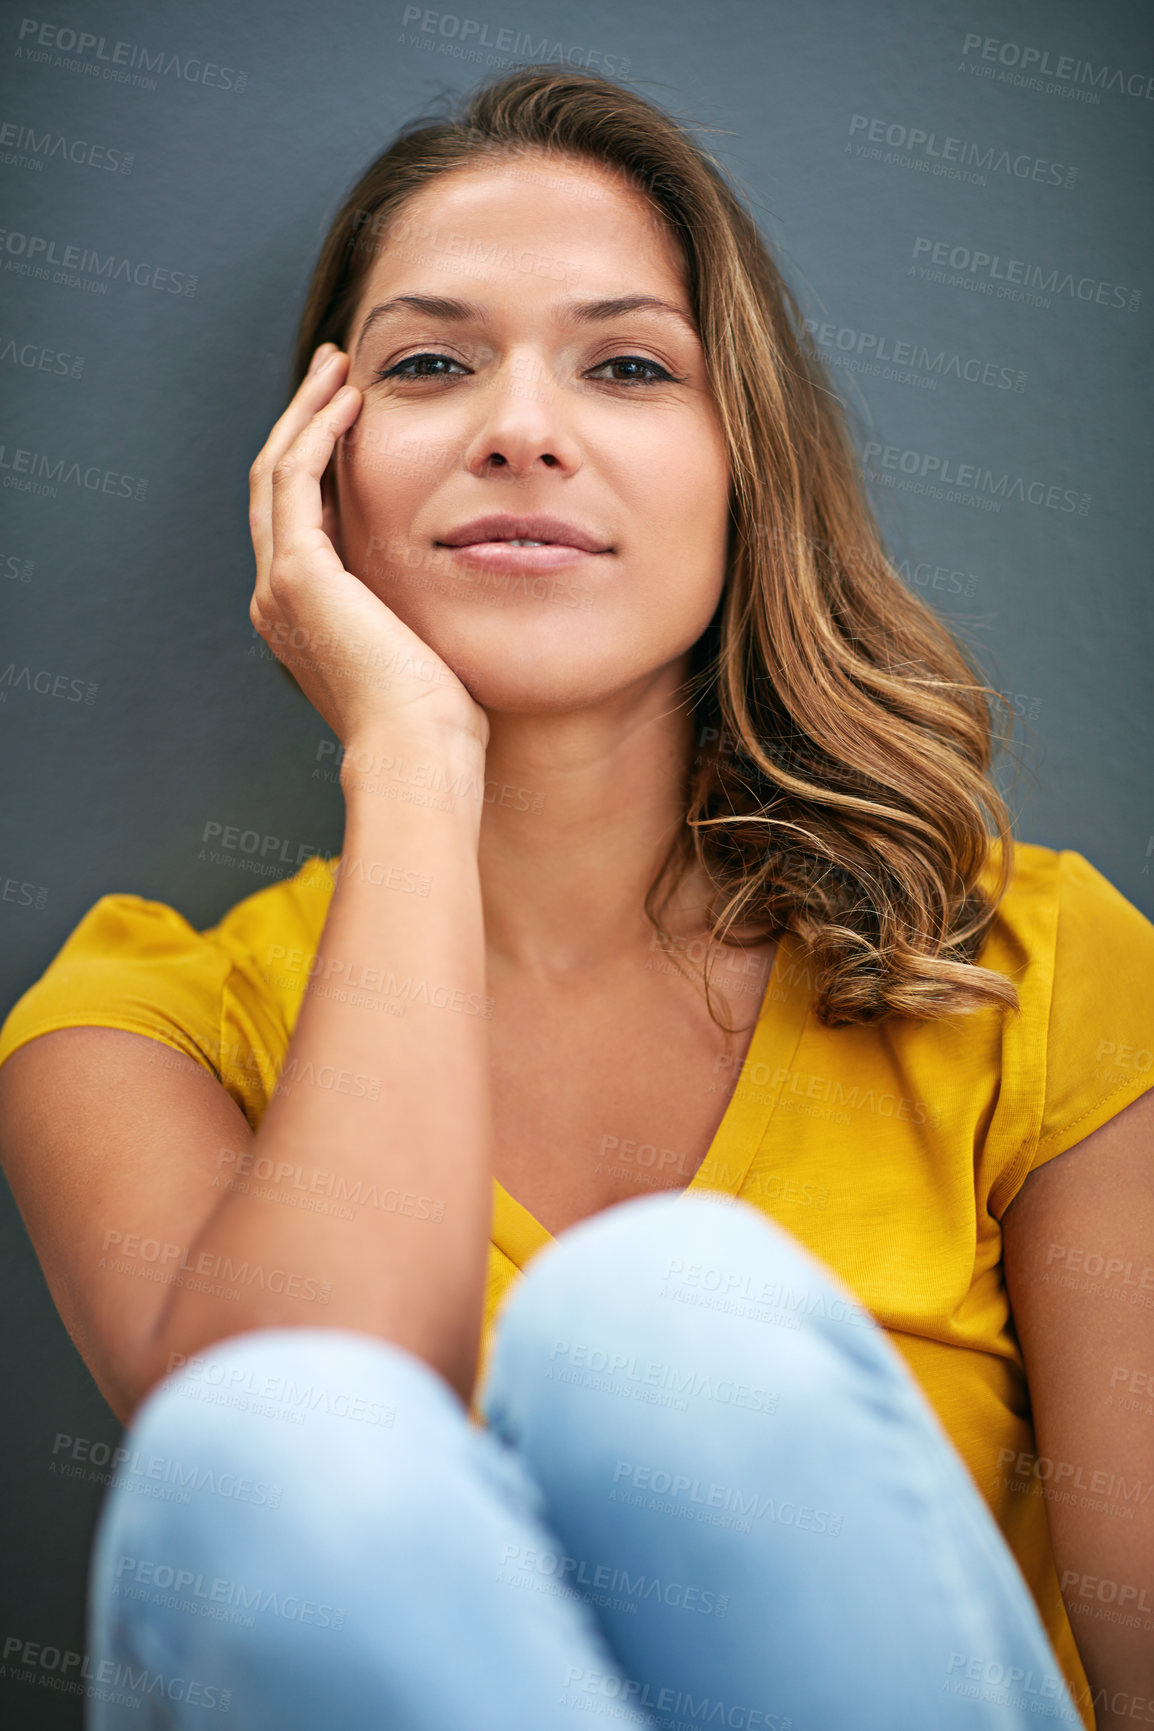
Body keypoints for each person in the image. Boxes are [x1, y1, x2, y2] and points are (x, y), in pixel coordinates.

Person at [0, 63, 1150, 1731]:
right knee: (262, 1432)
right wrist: (407, 751)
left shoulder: (1032, 970)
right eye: (426, 366)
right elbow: (286, 1481)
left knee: (657, 1332)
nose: (518, 427)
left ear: (742, 468)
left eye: (623, 365)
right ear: (318, 483)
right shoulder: (131, 1032)